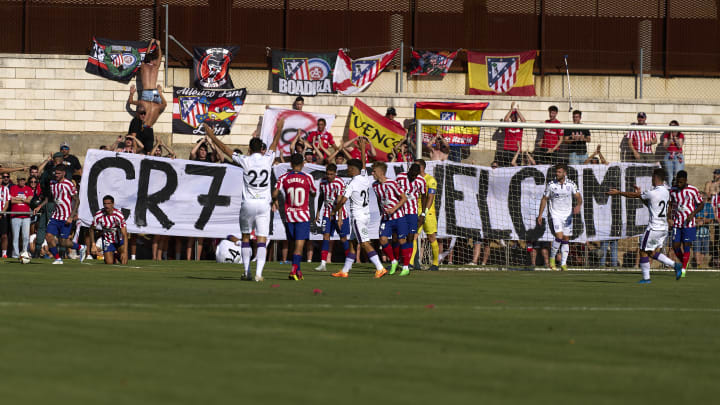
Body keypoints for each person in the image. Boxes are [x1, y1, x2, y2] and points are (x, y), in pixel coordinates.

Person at [203, 120, 282, 282]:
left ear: (249, 149)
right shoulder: (268, 159)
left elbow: (225, 150)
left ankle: (247, 272)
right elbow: (274, 144)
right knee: (261, 240)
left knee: (245, 237)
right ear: (262, 149)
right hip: (263, 205)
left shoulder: (245, 160)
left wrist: (212, 136)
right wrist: (279, 129)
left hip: (248, 204)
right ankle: (259, 273)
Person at [608, 168, 684, 283]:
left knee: (643, 250)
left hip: (654, 227)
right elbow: (650, 204)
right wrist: (640, 195)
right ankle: (675, 265)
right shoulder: (666, 192)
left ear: (655, 178)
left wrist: (618, 192)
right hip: (663, 227)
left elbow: (633, 195)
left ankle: (647, 278)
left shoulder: (652, 192)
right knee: (651, 252)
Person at [330, 145, 388, 278]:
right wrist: (362, 151)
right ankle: (345, 271)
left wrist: (334, 211)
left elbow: (343, 201)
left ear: (352, 169)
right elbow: (363, 166)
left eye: (348, 168)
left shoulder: (352, 183)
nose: (346, 171)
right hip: (365, 216)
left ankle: (380, 267)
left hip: (358, 217)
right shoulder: (364, 177)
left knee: (364, 243)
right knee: (352, 243)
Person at [273, 153, 317, 280]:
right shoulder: (308, 177)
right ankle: (293, 270)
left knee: (293, 244)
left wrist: (275, 201)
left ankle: (298, 271)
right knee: (299, 246)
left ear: (291, 164)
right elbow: (314, 193)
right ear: (303, 164)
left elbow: (275, 193)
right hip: (302, 215)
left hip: (289, 216)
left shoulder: (284, 177)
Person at [32, 167, 87, 264]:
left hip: (66, 217)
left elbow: (77, 200)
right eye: (55, 173)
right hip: (55, 216)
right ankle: (58, 258)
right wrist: (39, 206)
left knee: (63, 242)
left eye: (58, 173)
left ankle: (81, 247)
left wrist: (71, 216)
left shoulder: (69, 184)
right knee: (48, 236)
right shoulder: (52, 183)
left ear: (64, 173)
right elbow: (49, 198)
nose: (56, 175)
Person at [536, 164, 582, 271]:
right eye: (556, 172)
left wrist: (578, 205)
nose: (557, 174)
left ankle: (563, 264)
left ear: (565, 173)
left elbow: (579, 197)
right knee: (559, 236)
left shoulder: (571, 184)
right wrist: (540, 215)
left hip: (568, 215)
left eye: (559, 172)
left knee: (566, 238)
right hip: (555, 214)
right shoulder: (551, 185)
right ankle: (552, 258)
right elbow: (544, 199)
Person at [372, 161, 412, 276]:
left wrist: (394, 209)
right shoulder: (375, 186)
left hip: (398, 216)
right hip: (386, 218)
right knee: (383, 239)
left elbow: (404, 198)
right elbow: (380, 200)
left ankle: (405, 267)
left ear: (381, 172)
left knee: (401, 240)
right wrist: (381, 212)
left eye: (374, 171)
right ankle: (394, 261)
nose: (372, 174)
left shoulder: (392, 183)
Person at [314, 163, 350, 272]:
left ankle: (349, 262)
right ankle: (323, 263)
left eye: (331, 174)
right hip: (327, 213)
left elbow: (339, 201)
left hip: (340, 214)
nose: (329, 176)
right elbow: (321, 197)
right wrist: (318, 212)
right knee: (325, 236)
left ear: (335, 173)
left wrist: (339, 218)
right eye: (327, 174)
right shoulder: (323, 182)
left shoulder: (339, 183)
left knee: (343, 238)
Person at [668, 170, 703, 277]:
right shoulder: (673, 190)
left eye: (681, 182)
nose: (679, 184)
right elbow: (670, 204)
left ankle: (683, 268)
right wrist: (669, 217)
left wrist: (692, 214)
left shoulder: (693, 190)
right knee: (675, 246)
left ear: (686, 181)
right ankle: (684, 262)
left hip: (689, 223)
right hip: (677, 222)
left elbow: (701, 204)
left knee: (686, 245)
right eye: (678, 182)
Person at [127, 39, 165, 128]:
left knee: (143, 114)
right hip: (155, 92)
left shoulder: (143, 66)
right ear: (152, 61)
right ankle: (149, 127)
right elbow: (160, 56)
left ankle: (145, 128)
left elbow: (146, 55)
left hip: (146, 91)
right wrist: (158, 45)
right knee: (156, 111)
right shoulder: (156, 67)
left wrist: (150, 43)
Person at [396, 163, 426, 274]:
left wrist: (423, 214)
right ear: (409, 171)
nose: (413, 177)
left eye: (415, 175)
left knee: (410, 237)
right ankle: (396, 260)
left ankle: (406, 264)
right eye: (412, 175)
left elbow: (423, 196)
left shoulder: (421, 181)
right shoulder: (400, 177)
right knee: (397, 237)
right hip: (399, 211)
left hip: (412, 212)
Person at [415, 159, 440, 271]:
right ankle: (410, 264)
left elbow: (430, 197)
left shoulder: (430, 180)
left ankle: (435, 264)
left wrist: (424, 212)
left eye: (417, 166)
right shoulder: (414, 179)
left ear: (422, 167)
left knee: (431, 237)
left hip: (428, 212)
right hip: (415, 211)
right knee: (413, 236)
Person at [89, 195, 128, 264]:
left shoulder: (119, 215)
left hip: (119, 240)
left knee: (124, 261)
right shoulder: (99, 215)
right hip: (107, 240)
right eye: (105, 204)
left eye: (108, 203)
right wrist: (93, 244)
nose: (106, 206)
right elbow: (91, 229)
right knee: (109, 262)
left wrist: (125, 252)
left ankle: (116, 254)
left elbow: (124, 234)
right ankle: (111, 256)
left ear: (113, 204)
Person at [496, 102, 526, 166]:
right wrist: (511, 109)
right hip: (507, 150)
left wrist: (517, 110)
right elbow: (506, 119)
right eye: (512, 115)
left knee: (516, 169)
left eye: (515, 115)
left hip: (517, 151)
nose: (514, 117)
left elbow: (524, 121)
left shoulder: (520, 126)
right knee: (507, 168)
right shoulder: (508, 125)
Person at [9, 175, 32, 257]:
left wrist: (17, 199)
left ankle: (25, 253)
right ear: (17, 181)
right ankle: (15, 254)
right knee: (16, 236)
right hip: (15, 215)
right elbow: (11, 200)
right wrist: (23, 199)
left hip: (26, 216)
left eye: (23, 180)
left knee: (26, 236)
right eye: (20, 180)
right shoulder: (13, 188)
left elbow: (29, 200)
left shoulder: (28, 189)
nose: (22, 181)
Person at [127, 90, 154, 154]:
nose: (143, 115)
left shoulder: (149, 106)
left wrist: (157, 92)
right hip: (139, 149)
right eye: (141, 113)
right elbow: (133, 137)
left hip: (147, 149)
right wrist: (131, 94)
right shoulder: (135, 121)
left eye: (144, 113)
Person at [693, 191, 714, 268]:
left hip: (706, 233)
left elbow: (711, 219)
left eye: (703, 198)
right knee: (696, 249)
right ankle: (698, 264)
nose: (701, 199)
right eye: (700, 198)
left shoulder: (708, 206)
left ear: (705, 199)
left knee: (705, 250)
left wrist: (703, 221)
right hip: (696, 232)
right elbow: (691, 217)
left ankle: (699, 264)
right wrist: (698, 220)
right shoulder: (694, 206)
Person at [662, 120, 684, 187]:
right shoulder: (667, 135)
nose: (673, 127)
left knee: (678, 174)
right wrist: (670, 140)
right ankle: (670, 189)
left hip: (678, 155)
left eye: (674, 126)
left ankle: (678, 189)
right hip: (669, 155)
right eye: (671, 126)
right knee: (669, 175)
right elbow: (665, 146)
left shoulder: (680, 135)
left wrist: (675, 139)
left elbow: (679, 145)